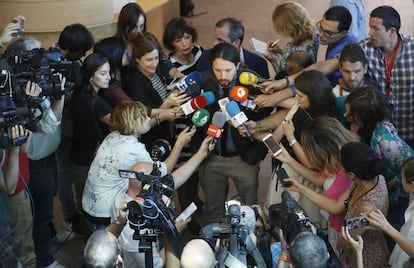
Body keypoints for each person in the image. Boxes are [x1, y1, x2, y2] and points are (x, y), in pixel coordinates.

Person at [265, 6, 414, 148]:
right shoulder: (365, 48)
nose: (369, 33)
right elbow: (322, 67)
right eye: (370, 27)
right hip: (380, 131)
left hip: (409, 128)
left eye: (375, 29)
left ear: (392, 31)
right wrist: (286, 81)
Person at [190, 42, 270, 225]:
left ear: (238, 66)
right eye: (217, 70)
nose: (222, 76)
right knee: (212, 210)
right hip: (211, 157)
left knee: (249, 210)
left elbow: (267, 110)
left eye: (228, 70)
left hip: (243, 157)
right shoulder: (202, 80)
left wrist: (254, 132)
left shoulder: (253, 82)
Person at [82, 101, 194, 232]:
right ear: (134, 124)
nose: (148, 119)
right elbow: (163, 172)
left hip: (89, 208)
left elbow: (144, 126)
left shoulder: (111, 137)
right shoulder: (135, 150)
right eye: (144, 117)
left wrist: (160, 117)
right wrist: (179, 143)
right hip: (108, 215)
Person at [285, 141, 390, 267]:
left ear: (351, 174)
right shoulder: (369, 179)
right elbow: (336, 206)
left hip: (365, 258)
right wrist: (300, 188)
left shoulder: (365, 210)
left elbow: (346, 239)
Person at [274, 117, 359, 253]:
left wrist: (300, 188)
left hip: (341, 231)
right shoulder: (338, 158)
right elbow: (320, 180)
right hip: (335, 225)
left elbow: (335, 207)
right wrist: (288, 160)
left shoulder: (347, 171)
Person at [344, 87, 414, 243]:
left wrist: (393, 181)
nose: (345, 115)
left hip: (395, 195)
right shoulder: (371, 128)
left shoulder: (386, 141)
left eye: (350, 113)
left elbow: (409, 163)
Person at [69, 53, 112, 227]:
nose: (109, 77)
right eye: (103, 73)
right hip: (90, 161)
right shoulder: (97, 103)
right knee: (95, 208)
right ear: (90, 76)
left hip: (77, 157)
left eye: (109, 72)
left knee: (84, 203)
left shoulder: (78, 94)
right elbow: (124, 125)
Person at [123, 32, 187, 148]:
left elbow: (166, 66)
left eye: (156, 58)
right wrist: (168, 104)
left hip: (168, 129)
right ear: (137, 59)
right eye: (149, 60)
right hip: (153, 138)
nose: (154, 64)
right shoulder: (135, 83)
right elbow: (145, 118)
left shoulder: (155, 69)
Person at [363, 157, 414, 267]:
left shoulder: (365, 204)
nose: (401, 181)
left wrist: (387, 228)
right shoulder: (412, 194)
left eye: (403, 178)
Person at [196, 17, 269, 79]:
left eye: (221, 40)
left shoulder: (259, 63)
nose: (214, 44)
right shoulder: (205, 58)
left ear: (236, 43)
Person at [266, 2, 318, 76]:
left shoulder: (297, 57)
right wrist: (279, 50)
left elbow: (284, 79)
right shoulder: (314, 31)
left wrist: (273, 61)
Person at [317, 5, 357, 84]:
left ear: (343, 33)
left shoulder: (345, 50)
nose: (321, 35)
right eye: (320, 27)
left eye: (328, 33)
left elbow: (324, 76)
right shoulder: (336, 38)